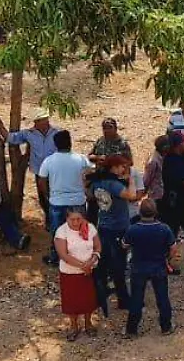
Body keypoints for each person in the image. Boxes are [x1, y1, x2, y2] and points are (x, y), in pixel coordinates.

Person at [89, 157, 136, 318]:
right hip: (118, 228)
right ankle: (123, 299)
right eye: (121, 167)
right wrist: (131, 181)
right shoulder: (114, 185)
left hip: (103, 227)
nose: (123, 169)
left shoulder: (98, 183)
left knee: (102, 264)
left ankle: (99, 295)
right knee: (119, 266)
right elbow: (131, 195)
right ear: (113, 168)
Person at [7, 110, 64, 239]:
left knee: (56, 195)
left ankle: (57, 221)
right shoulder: (30, 134)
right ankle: (50, 220)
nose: (43, 123)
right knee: (43, 197)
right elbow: (12, 138)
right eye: (40, 121)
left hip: (55, 171)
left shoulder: (57, 133)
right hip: (39, 171)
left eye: (44, 120)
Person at [38, 130, 91, 268]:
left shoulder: (49, 161)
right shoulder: (80, 159)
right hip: (77, 201)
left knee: (58, 232)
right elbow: (91, 172)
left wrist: (48, 195)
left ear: (55, 144)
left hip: (57, 202)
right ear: (70, 142)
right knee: (79, 231)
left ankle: (56, 257)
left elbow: (42, 181)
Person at [124, 199, 175, 336]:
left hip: (138, 268)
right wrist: (167, 259)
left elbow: (125, 245)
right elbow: (173, 248)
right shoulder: (164, 228)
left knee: (136, 299)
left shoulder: (133, 229)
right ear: (155, 212)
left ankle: (131, 329)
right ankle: (166, 327)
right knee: (162, 298)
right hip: (158, 267)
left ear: (140, 212)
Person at [53, 207, 100, 340]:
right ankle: (74, 326)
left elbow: (97, 247)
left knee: (88, 299)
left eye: (78, 219)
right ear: (67, 218)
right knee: (71, 301)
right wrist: (83, 266)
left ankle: (88, 323)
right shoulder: (61, 232)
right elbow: (63, 254)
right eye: (72, 219)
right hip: (70, 273)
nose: (75, 222)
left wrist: (92, 260)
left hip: (88, 271)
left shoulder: (90, 228)